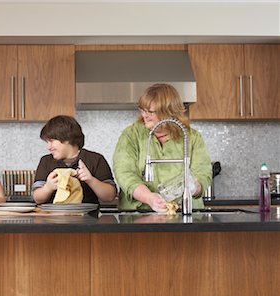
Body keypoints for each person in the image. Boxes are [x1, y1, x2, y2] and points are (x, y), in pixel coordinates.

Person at [113, 83, 212, 213]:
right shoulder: (131, 135)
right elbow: (124, 173)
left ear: (168, 112)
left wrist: (194, 187)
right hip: (139, 214)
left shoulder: (191, 137)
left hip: (184, 213)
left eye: (150, 111)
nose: (144, 115)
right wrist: (149, 198)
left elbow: (203, 173)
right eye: (142, 110)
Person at [32, 115, 117, 204]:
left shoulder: (96, 159)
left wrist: (90, 180)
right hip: (52, 216)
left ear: (66, 138)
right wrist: (48, 187)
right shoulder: (46, 161)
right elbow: (37, 198)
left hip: (88, 216)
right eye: (47, 142)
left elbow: (110, 196)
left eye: (52, 141)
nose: (49, 147)